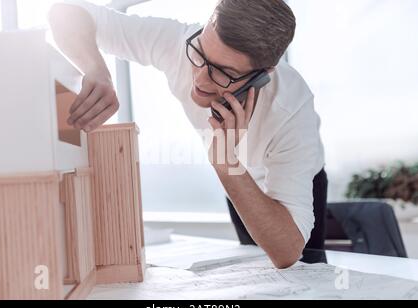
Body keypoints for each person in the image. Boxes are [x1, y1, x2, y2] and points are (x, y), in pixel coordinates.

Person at [48, 0, 326, 269]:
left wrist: (224, 162)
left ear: (262, 76)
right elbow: (64, 12)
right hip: (238, 181)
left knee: (305, 279)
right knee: (259, 276)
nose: (200, 79)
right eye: (201, 54)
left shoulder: (291, 109)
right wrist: (96, 70)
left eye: (224, 73)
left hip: (290, 195)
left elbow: (287, 251)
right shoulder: (178, 42)